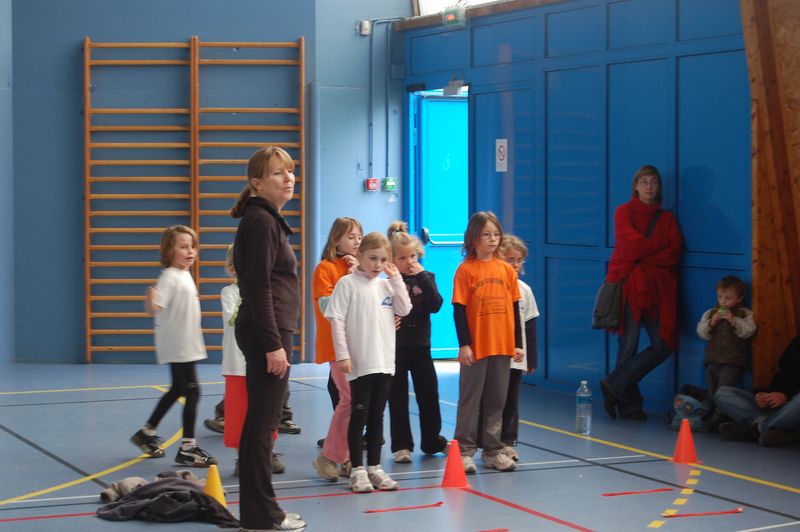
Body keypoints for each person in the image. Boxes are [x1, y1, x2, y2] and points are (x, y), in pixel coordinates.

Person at [230, 146, 305, 531]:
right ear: (257, 183)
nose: (288, 178)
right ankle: (261, 516)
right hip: (266, 331)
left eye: (289, 171)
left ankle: (260, 512)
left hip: (269, 328)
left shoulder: (266, 219)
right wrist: (273, 343)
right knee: (263, 424)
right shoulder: (260, 221)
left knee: (263, 422)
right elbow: (258, 287)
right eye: (278, 173)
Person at [324, 232, 412, 493]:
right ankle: (357, 470)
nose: (377, 264)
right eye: (372, 258)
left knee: (377, 416)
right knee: (359, 415)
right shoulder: (347, 284)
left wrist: (396, 279)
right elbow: (337, 320)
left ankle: (375, 467)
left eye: (383, 260)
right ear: (360, 255)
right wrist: (343, 355)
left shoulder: (386, 285)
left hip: (384, 361)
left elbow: (405, 309)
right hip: (360, 363)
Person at [599, 165, 682, 420]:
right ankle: (630, 405)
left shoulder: (667, 218)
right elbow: (630, 246)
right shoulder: (623, 212)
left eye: (654, 182)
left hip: (657, 291)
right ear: (635, 186)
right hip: (628, 287)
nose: (649, 187)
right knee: (628, 345)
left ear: (659, 187)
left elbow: (674, 253)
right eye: (644, 182)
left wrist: (646, 251)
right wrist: (658, 245)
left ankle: (614, 382)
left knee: (663, 345)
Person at [130, 225, 217, 467]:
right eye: (183, 247)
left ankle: (146, 432)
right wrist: (149, 301)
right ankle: (188, 447)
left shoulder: (183, 273)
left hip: (186, 341)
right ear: (170, 251)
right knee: (193, 390)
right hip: (178, 344)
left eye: (192, 246)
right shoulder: (169, 277)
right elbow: (154, 308)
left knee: (178, 388)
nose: (190, 251)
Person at [452, 211, 524, 474]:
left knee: (497, 400)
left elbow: (514, 308)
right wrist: (465, 344)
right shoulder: (466, 270)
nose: (493, 239)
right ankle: (464, 451)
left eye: (496, 234)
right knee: (470, 400)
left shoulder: (506, 270)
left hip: (501, 346)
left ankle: (493, 451)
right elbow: (459, 309)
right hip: (477, 347)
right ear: (474, 238)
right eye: (486, 234)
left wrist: (517, 343)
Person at [218, 245, 284, 476]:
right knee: (239, 414)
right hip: (237, 365)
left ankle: (268, 452)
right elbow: (233, 319)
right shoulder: (229, 293)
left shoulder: (269, 293)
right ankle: (242, 457)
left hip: (264, 361)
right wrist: (253, 298)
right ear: (233, 268)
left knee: (267, 410)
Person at [386, 221, 448, 464]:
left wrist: (421, 276)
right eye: (402, 258)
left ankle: (432, 440)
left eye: (412, 256)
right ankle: (402, 445)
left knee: (429, 393)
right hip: (396, 347)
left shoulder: (426, 277)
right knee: (397, 397)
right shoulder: (388, 282)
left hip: (421, 346)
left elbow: (436, 305)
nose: (409, 262)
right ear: (392, 260)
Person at [312, 217, 363, 481]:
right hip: (336, 346)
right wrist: (352, 277)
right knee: (349, 399)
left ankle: (346, 455)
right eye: (351, 237)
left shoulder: (360, 268)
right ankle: (329, 456)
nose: (357, 242)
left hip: (359, 344)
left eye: (359, 237)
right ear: (336, 240)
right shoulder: (325, 268)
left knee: (356, 402)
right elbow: (328, 308)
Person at [496, 234, 539, 461]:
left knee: (511, 401)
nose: (515, 264)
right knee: (494, 400)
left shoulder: (525, 290)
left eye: (519, 260)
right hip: (495, 354)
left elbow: (530, 326)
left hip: (517, 357)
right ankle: (489, 441)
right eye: (510, 259)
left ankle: (508, 441)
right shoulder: (494, 287)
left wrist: (531, 359)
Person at [715, 333, 800, 447]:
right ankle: (768, 427)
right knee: (723, 392)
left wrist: (786, 397)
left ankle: (758, 430)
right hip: (774, 405)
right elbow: (783, 375)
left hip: (793, 409)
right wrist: (764, 396)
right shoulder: (797, 343)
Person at [696, 275, 757, 395]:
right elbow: (701, 333)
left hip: (733, 361)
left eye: (728, 298)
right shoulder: (711, 313)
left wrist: (733, 320)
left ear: (739, 299)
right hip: (713, 359)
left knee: (723, 390)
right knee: (712, 389)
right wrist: (712, 323)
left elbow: (749, 331)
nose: (723, 301)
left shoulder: (744, 313)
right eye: (720, 296)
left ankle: (721, 407)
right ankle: (711, 405)